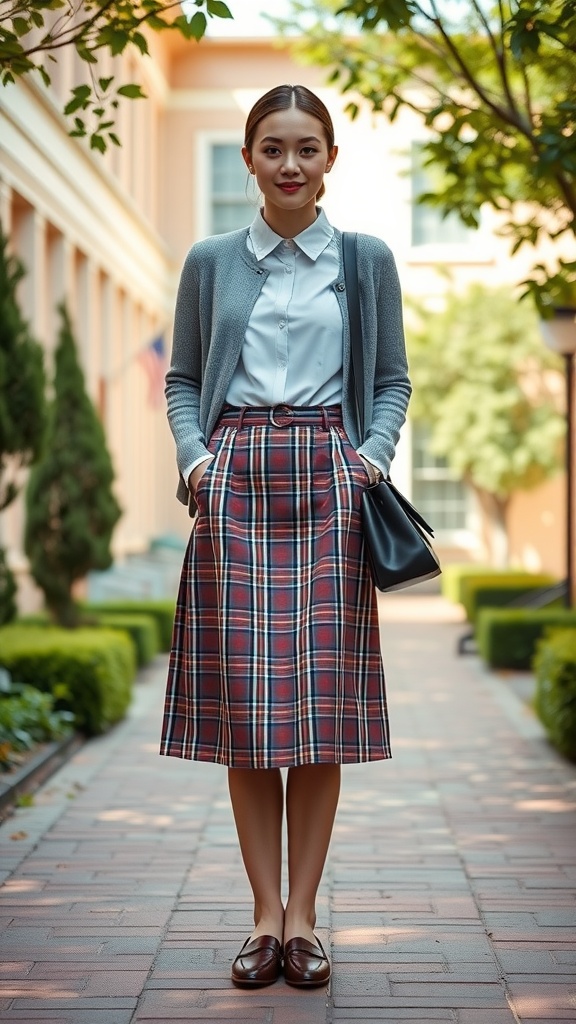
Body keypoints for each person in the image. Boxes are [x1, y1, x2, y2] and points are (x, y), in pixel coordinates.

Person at [160, 83, 411, 990]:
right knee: (245, 719)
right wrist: (198, 463)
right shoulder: (212, 261)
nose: (291, 164)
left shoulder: (366, 259)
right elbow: (183, 379)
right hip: (233, 488)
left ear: (331, 160)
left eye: (308, 148)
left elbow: (390, 380)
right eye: (273, 148)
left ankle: (305, 919)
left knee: (318, 718)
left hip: (328, 487)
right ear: (249, 159)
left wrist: (369, 459)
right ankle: (262, 917)